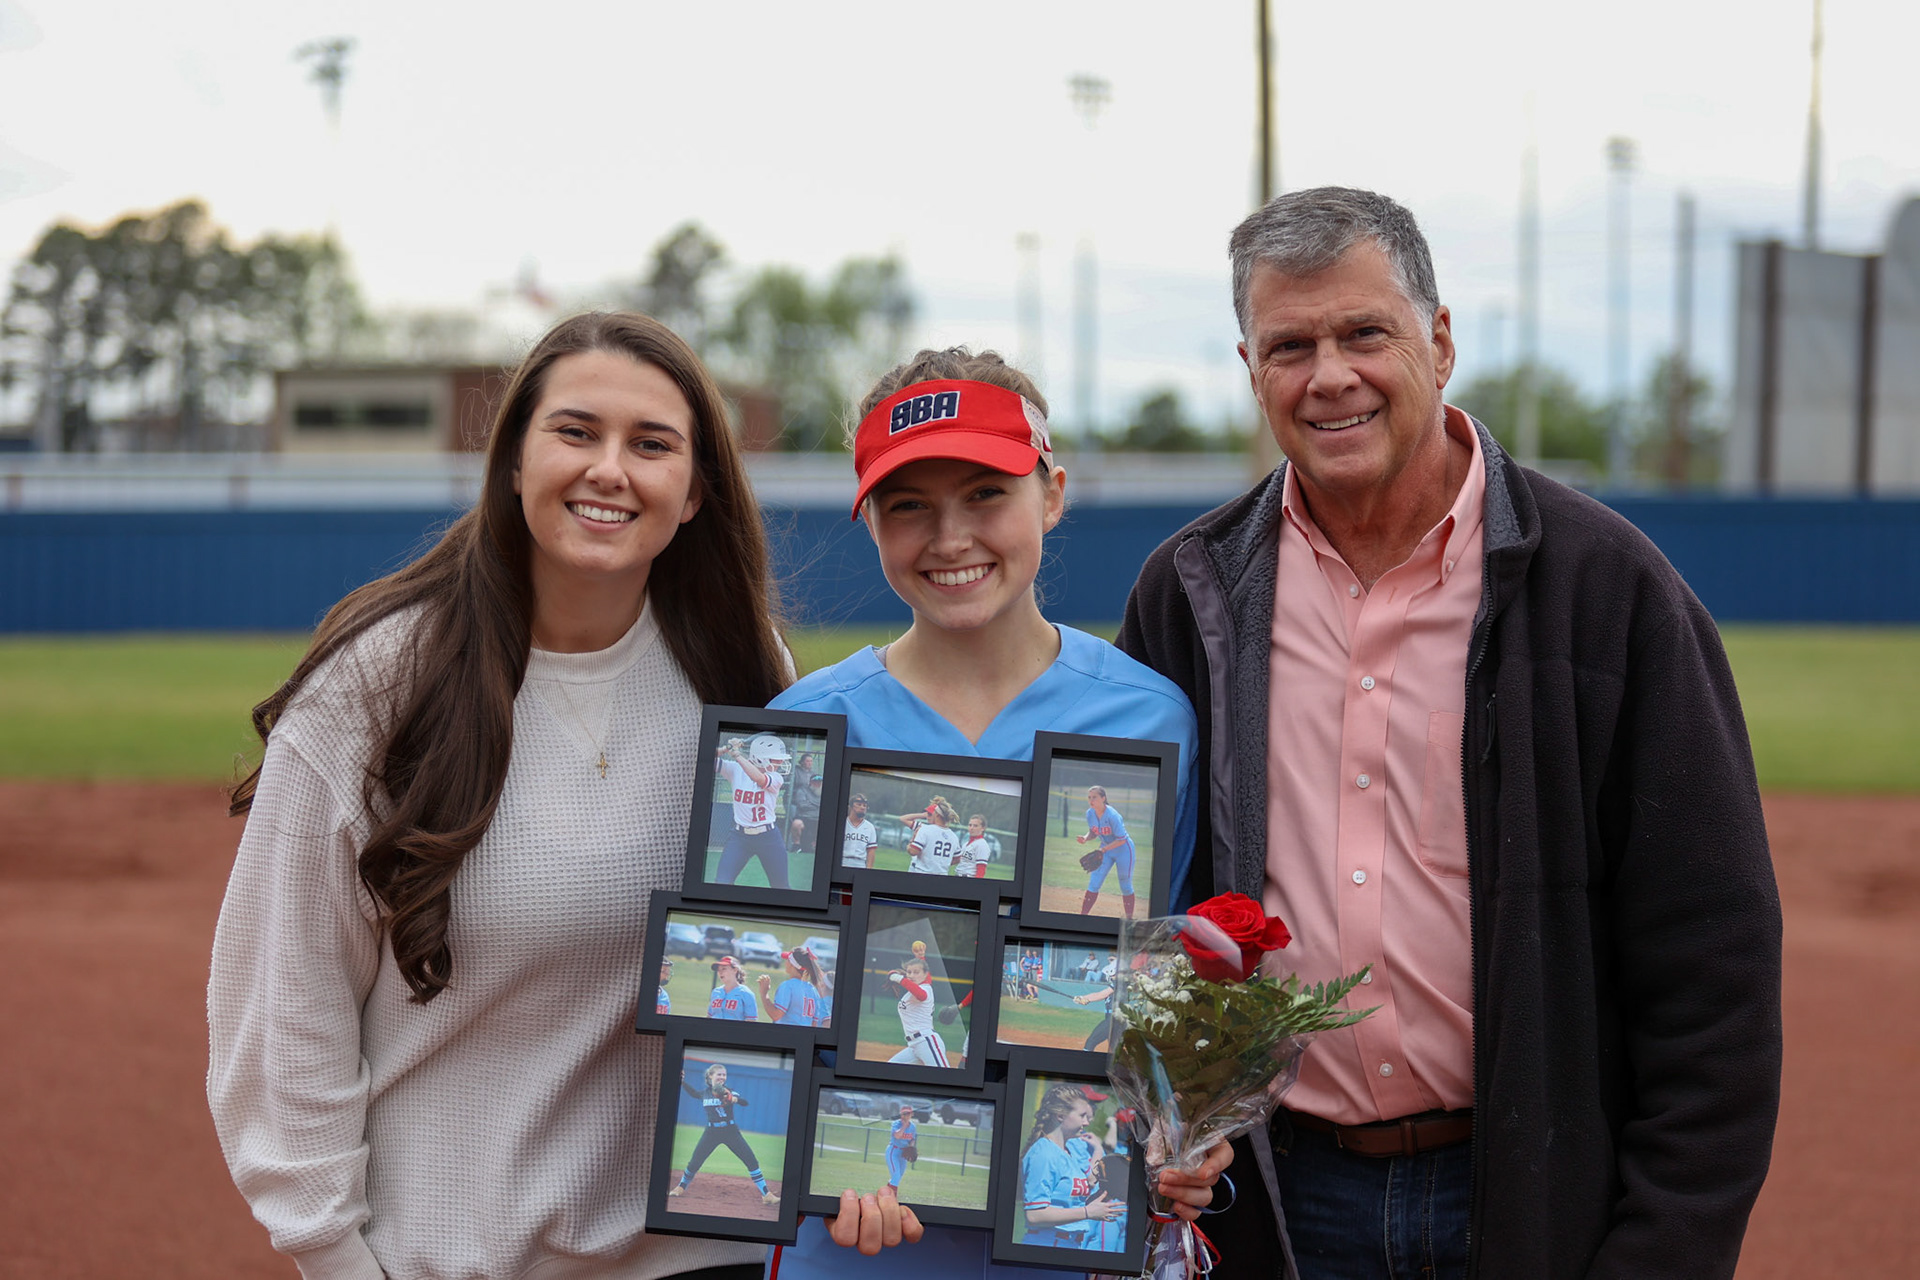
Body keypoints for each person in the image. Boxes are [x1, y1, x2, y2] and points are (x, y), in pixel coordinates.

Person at [1116, 187, 1782, 1279]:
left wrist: (1664, 1249)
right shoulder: (1190, 595)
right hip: (1280, 1202)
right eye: (1290, 345)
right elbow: (1133, 909)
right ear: (1251, 369)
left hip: (1527, 1198)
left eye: (1364, 332)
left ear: (1440, 342)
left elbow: (1715, 967)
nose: (1329, 374)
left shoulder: (1611, 592)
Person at [207, 311, 789, 1280]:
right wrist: (336, 1257)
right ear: (513, 460)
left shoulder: (744, 670)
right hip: (459, 1259)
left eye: (652, 444)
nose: (610, 468)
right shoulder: (378, 683)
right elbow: (285, 1003)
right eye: (575, 431)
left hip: (702, 1256)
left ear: (694, 494)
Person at [767, 347, 1230, 1273]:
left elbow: (1162, 985)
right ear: (870, 524)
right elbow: (776, 1017)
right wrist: (813, 1159)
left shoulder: (1149, 718)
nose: (950, 538)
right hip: (863, 1242)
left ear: (1051, 495)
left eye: (985, 493)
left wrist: (1189, 1139)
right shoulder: (808, 725)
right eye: (909, 506)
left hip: (1067, 1228)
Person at [1018, 1085, 1117, 1250]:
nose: (1086, 1122)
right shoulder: (1044, 1153)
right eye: (1081, 1115)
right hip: (1047, 1246)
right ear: (1060, 1115)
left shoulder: (1067, 1151)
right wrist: (1088, 1212)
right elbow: (1034, 1215)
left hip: (1068, 1245)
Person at [668, 1064, 779, 1207]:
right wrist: (681, 1081)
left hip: (730, 1131)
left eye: (724, 1075)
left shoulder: (729, 1092)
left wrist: (734, 1099)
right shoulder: (705, 1094)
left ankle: (767, 1195)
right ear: (710, 1076)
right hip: (711, 1133)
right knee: (695, 1162)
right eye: (719, 1074)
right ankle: (680, 1187)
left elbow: (745, 1102)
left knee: (751, 1161)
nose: (722, 1077)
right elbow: (694, 1093)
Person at [713, 733, 791, 888]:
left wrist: (737, 754)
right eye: (776, 758)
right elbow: (704, 756)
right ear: (761, 758)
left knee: (781, 887)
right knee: (721, 884)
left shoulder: (776, 777)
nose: (781, 762)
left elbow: (759, 779)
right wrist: (724, 749)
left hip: (769, 837)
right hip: (739, 837)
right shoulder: (735, 769)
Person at [1073, 785, 1137, 917]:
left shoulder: (1113, 816)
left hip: (1124, 851)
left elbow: (1121, 839)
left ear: (1103, 798)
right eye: (1089, 797)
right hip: (1105, 850)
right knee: (1094, 883)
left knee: (1125, 884)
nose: (1091, 800)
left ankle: (1129, 921)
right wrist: (1085, 838)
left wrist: (1103, 849)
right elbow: (1094, 831)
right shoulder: (1090, 813)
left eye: (1094, 797)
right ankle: (1082, 916)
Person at [884, 956, 949, 1067]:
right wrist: (920, 956)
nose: (912, 975)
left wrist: (898, 978)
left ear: (925, 974)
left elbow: (921, 995)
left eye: (916, 972)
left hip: (926, 1042)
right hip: (914, 1045)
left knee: (944, 1077)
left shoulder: (925, 989)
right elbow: (913, 983)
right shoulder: (913, 990)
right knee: (890, 1069)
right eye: (909, 972)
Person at [759, 946, 826, 1027]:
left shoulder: (787, 986)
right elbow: (814, 1024)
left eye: (787, 960)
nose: (785, 962)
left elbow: (776, 1015)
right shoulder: (813, 990)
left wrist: (764, 994)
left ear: (792, 964)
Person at [901, 796, 961, 875]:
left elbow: (913, 851)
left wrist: (910, 843)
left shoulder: (925, 829)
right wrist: (940, 863)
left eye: (933, 813)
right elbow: (957, 859)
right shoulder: (953, 836)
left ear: (937, 815)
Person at [706, 956, 760, 1021]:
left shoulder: (746, 993)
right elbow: (709, 1016)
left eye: (724, 969)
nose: (720, 972)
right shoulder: (716, 992)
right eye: (718, 970)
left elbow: (751, 1020)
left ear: (735, 970)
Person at [787, 752, 818, 852]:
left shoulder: (813, 774)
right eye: (807, 761)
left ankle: (807, 845)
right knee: (793, 822)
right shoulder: (796, 771)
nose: (809, 763)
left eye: (811, 761)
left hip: (808, 802)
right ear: (802, 762)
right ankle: (793, 844)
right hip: (794, 801)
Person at [885, 1103, 918, 1191]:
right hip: (893, 1151)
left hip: (903, 1154)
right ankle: (892, 1198)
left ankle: (886, 1193)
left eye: (908, 1113)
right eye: (904, 1113)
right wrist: (904, 1125)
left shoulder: (913, 1127)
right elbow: (897, 1135)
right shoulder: (896, 1124)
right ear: (901, 1114)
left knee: (898, 1177)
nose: (906, 1115)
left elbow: (912, 1139)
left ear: (912, 1114)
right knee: (896, 1175)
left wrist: (911, 1147)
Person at [842, 792, 880, 869]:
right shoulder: (842, 823)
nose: (862, 807)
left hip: (860, 863)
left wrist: (869, 868)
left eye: (864, 805)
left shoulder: (870, 827)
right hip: (843, 861)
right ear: (851, 806)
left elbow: (871, 851)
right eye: (859, 805)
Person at [952, 813, 993, 879]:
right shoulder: (966, 844)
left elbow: (981, 868)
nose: (971, 828)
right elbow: (959, 860)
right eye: (970, 825)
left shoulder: (982, 845)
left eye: (975, 826)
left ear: (983, 828)